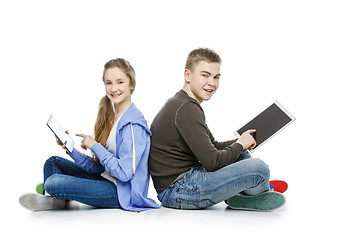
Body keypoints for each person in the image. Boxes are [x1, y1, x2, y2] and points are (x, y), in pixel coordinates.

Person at [148, 48, 286, 211]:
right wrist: (240, 144)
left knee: (242, 155)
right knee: (259, 169)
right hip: (179, 190)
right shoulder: (186, 108)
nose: (211, 83)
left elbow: (212, 145)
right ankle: (258, 192)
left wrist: (241, 141)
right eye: (204, 75)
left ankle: (247, 194)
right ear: (187, 75)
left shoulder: (184, 103)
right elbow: (212, 162)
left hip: (183, 183)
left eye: (216, 77)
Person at [19, 58, 160, 212]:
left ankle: (53, 198)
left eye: (120, 82)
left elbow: (125, 174)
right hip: (104, 179)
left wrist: (95, 146)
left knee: (53, 182)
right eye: (108, 83)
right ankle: (54, 200)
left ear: (131, 84)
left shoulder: (133, 125)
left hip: (120, 193)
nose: (114, 88)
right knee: (52, 163)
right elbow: (100, 168)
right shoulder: (114, 118)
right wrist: (70, 148)